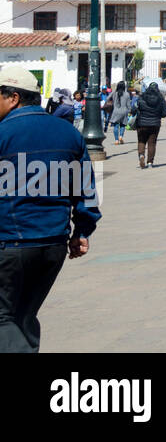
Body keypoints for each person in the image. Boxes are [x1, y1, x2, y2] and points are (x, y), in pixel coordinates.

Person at [0, 66, 100, 352]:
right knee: (24, 316)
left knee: (4, 318)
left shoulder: (3, 133)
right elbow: (87, 191)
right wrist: (82, 231)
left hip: (10, 243)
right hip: (53, 245)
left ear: (13, 97)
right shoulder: (68, 133)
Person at [132, 82, 166, 169]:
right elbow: (164, 113)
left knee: (141, 141)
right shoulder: (160, 99)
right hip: (155, 124)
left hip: (141, 124)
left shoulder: (141, 98)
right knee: (152, 143)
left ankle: (141, 155)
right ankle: (150, 163)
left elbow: (133, 109)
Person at [105, 81, 131, 146]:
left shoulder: (114, 93)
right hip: (124, 111)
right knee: (123, 125)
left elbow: (107, 98)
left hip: (115, 111)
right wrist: (129, 111)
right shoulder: (127, 94)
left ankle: (116, 140)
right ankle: (121, 137)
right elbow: (128, 104)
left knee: (116, 126)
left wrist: (112, 101)